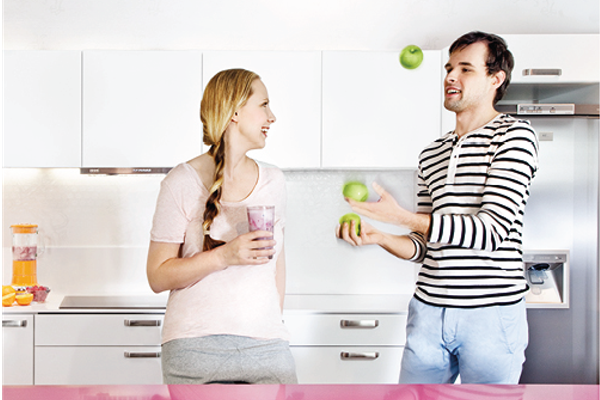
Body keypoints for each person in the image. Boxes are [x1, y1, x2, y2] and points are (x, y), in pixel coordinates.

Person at [337, 31, 539, 384]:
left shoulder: (515, 136)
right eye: (448, 68)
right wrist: (381, 236)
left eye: (465, 69)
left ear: (496, 78)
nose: (450, 76)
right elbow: (424, 245)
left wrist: (402, 216)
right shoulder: (431, 153)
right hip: (428, 311)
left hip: (491, 316)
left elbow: (491, 232)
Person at [147, 68, 297, 384]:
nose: (272, 116)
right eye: (264, 105)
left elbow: (277, 268)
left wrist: (271, 324)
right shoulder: (181, 182)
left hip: (268, 347)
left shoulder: (274, 182)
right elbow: (158, 276)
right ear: (234, 113)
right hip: (193, 348)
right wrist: (224, 256)